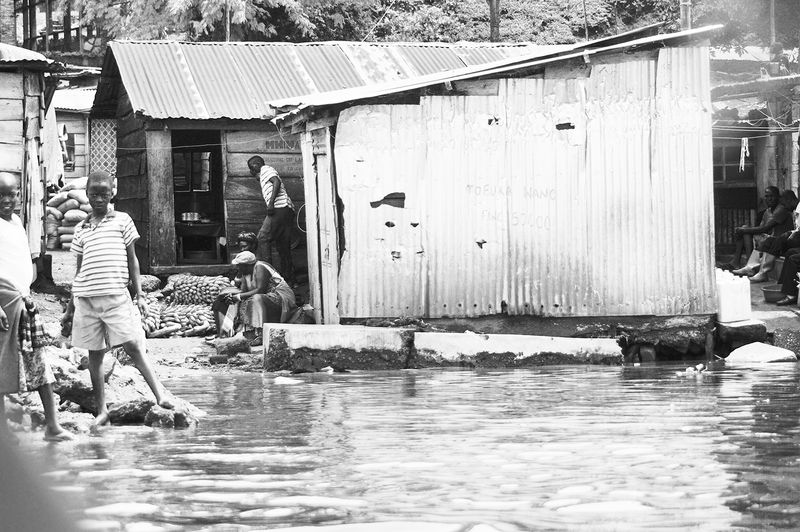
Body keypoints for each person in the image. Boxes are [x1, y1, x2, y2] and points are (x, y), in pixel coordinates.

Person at [61, 171, 173, 428]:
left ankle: (160, 395)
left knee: (133, 346)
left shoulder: (123, 220)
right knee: (95, 355)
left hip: (116, 296)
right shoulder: (81, 229)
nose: (99, 198)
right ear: (87, 194)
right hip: (87, 300)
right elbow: (78, 271)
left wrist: (141, 294)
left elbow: (132, 259)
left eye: (104, 193)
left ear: (113, 193)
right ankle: (102, 411)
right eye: (94, 193)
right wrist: (70, 309)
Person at [0, 173, 71, 443]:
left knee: (39, 362)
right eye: (1, 195)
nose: (7, 200)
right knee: (3, 365)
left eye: (12, 194)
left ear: (19, 194)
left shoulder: (17, 221)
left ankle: (52, 426)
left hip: (23, 301)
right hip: (3, 302)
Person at [217, 251, 296, 347]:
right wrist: (234, 297)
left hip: (282, 297)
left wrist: (238, 297)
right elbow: (243, 292)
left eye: (239, 265)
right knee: (238, 302)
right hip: (265, 298)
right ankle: (230, 333)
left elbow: (260, 290)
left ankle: (260, 333)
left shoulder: (260, 267)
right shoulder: (245, 274)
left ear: (247, 265)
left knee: (256, 298)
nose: (238, 268)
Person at [249, 156, 296, 286]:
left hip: (279, 208)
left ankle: (268, 277)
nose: (251, 170)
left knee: (262, 238)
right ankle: (290, 280)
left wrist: (271, 204)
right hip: (287, 209)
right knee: (283, 246)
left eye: (251, 167)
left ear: (257, 164)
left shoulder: (265, 169)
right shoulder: (263, 174)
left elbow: (276, 182)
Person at [736, 190, 797, 282]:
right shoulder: (769, 211)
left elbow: (765, 228)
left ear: (788, 200)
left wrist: (790, 233)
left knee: (777, 240)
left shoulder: (783, 210)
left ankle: (761, 271)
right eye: (766, 197)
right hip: (791, 236)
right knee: (770, 241)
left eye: (784, 204)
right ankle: (757, 270)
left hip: (794, 238)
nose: (785, 207)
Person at [731, 186, 782, 269]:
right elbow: (760, 228)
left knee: (745, 231)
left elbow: (764, 229)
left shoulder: (780, 210)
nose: (769, 199)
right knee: (744, 230)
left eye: (772, 196)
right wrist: (744, 229)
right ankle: (738, 262)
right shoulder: (767, 211)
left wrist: (744, 230)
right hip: (767, 238)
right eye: (767, 196)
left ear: (778, 197)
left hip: (776, 241)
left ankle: (749, 265)